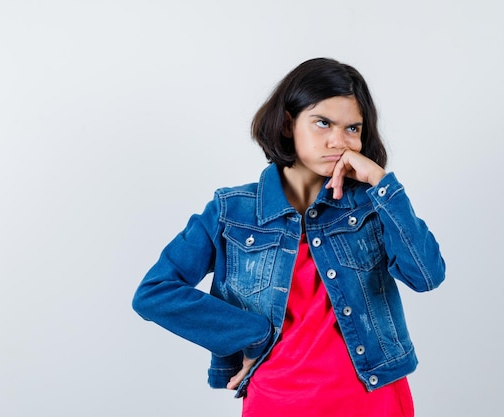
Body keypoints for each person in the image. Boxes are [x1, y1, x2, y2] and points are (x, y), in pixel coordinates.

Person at [132, 57, 446, 417]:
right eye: (322, 123)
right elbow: (155, 293)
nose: (338, 141)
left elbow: (426, 276)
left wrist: (382, 184)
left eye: (352, 128)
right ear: (287, 123)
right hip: (278, 402)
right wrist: (250, 335)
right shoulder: (231, 211)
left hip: (374, 397)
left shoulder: (372, 205)